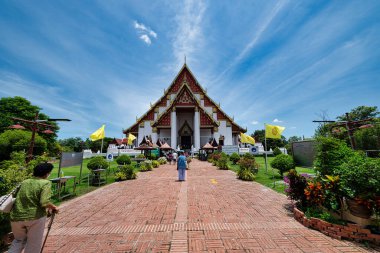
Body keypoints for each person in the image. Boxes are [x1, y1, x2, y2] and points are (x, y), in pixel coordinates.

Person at [9, 163, 59, 253]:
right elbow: (44, 202)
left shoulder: (25, 181)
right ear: (47, 173)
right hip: (35, 217)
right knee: (33, 244)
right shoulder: (45, 183)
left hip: (16, 217)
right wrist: (54, 207)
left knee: (18, 241)